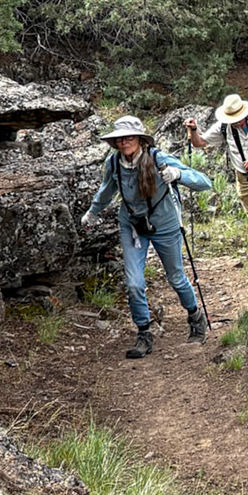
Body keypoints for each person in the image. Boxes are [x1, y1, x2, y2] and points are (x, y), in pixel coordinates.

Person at [81, 116, 213, 360]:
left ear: (140, 139)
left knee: (176, 277)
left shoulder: (158, 159)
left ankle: (195, 317)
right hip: (132, 226)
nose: (124, 142)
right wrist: (92, 212)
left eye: (129, 137)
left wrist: (177, 174)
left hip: (165, 225)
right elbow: (106, 190)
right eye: (119, 138)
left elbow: (204, 182)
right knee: (134, 283)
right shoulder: (114, 163)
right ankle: (144, 333)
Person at [188, 93, 248, 249]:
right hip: (243, 176)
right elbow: (200, 142)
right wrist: (193, 130)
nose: (237, 123)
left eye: (238, 118)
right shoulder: (223, 127)